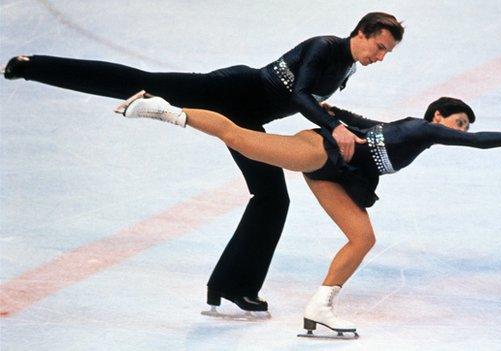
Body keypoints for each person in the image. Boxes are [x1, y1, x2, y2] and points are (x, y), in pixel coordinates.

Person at [2, 12, 405, 313]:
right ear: (361, 33)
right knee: (141, 81)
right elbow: (300, 95)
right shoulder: (326, 47)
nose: (382, 56)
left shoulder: (347, 66)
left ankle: (232, 285)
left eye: (387, 51)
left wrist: (360, 124)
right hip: (231, 88)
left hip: (249, 116)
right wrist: (333, 126)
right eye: (380, 46)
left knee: (272, 198)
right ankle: (32, 64)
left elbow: (317, 102)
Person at [112, 92, 501, 337]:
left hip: (332, 174)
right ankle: (161, 110)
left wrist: (335, 110)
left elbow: (359, 121)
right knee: (243, 138)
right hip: (317, 152)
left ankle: (320, 306)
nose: (461, 131)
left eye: (463, 126)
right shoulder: (422, 128)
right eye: (458, 122)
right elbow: (476, 143)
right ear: (438, 116)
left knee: (362, 238)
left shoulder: (406, 133)